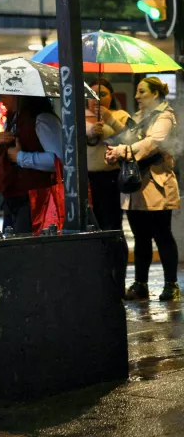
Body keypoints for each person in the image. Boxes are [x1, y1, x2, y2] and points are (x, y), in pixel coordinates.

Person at [104, 77, 180, 301]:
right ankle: (140, 284)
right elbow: (127, 143)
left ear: (155, 94)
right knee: (140, 237)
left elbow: (150, 144)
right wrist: (113, 154)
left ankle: (171, 285)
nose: (137, 96)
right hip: (135, 184)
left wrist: (121, 150)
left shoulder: (165, 117)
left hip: (157, 185)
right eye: (137, 92)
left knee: (162, 234)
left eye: (142, 92)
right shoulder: (137, 118)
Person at [0, 95, 63, 234]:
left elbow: (58, 160)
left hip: (37, 200)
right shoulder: (12, 119)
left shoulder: (43, 119)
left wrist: (21, 157)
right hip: (12, 198)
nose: (1, 99)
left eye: (5, 94)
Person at [85, 78, 130, 294]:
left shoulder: (120, 116)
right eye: (92, 95)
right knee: (90, 231)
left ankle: (117, 282)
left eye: (102, 94)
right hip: (86, 180)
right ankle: (95, 282)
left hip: (110, 178)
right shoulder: (79, 116)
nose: (96, 99)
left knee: (112, 229)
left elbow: (131, 137)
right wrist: (90, 132)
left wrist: (110, 119)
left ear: (111, 96)